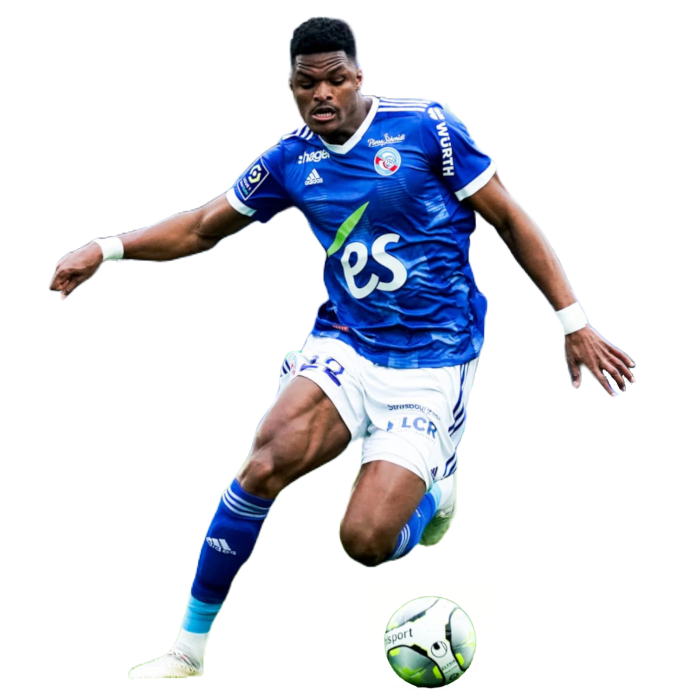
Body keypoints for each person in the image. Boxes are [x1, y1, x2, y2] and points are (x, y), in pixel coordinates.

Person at [48, 16, 635, 680]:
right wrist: (107, 249)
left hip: (433, 360)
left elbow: (508, 216)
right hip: (347, 343)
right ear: (290, 88)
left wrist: (573, 321)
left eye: (334, 79)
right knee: (263, 462)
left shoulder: (427, 128)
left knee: (365, 542)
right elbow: (203, 228)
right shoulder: (289, 161)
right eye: (306, 84)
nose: (321, 94)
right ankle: (188, 650)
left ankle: (438, 487)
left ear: (359, 76)